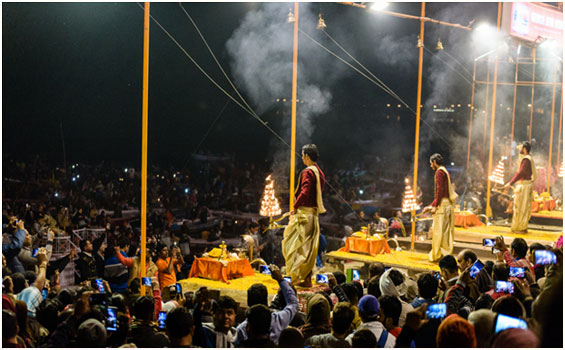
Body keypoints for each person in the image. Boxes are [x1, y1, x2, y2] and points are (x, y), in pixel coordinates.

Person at [282, 144, 326, 287]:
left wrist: (295, 207)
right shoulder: (320, 172)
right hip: (313, 216)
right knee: (308, 249)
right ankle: (306, 279)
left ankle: (293, 279)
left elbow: (305, 191)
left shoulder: (308, 172)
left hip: (304, 215)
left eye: (302, 155)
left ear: (307, 156)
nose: (302, 158)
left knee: (295, 246)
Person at [236, 265, 298, 344]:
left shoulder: (241, 329)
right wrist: (280, 280)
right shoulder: (277, 319)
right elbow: (293, 303)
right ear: (266, 302)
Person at [422, 153, 456, 262]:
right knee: (445, 232)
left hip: (442, 206)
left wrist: (435, 206)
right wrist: (430, 206)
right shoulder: (446, 171)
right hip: (447, 205)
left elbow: (440, 191)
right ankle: (445, 255)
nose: (431, 165)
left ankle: (436, 255)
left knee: (438, 231)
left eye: (431, 163)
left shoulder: (439, 172)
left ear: (435, 162)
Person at [504, 141, 537, 233]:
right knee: (523, 206)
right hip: (525, 185)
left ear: (525, 150)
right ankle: (521, 226)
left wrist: (510, 183)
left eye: (521, 148)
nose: (519, 149)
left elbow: (520, 173)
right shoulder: (528, 159)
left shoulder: (526, 160)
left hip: (525, 186)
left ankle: (520, 227)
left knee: (521, 207)